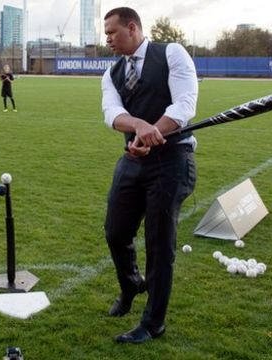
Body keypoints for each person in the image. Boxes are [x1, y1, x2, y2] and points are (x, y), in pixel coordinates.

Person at [100, 7, 198, 344]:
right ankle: (131, 284)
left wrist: (155, 130)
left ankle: (153, 323)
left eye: (112, 33)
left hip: (172, 159)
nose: (108, 39)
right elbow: (112, 113)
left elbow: (184, 105)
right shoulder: (111, 73)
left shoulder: (171, 53)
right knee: (115, 232)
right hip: (133, 158)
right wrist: (139, 128)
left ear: (132, 27)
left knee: (159, 243)